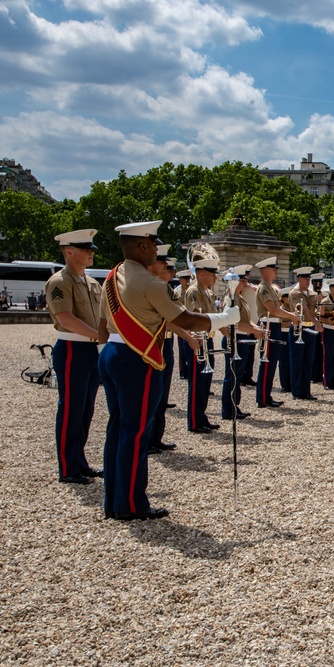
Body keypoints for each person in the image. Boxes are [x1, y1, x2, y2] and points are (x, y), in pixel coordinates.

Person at [98, 220, 239, 520]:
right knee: (135, 433)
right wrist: (223, 318)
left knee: (117, 429)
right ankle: (131, 504)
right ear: (143, 246)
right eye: (153, 245)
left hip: (111, 352)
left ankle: (114, 499)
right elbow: (184, 319)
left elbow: (101, 326)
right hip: (136, 357)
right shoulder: (150, 283)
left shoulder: (113, 277)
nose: (156, 251)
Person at [45, 228, 103, 484]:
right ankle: (68, 467)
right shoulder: (60, 281)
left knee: (86, 409)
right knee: (71, 409)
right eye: (85, 248)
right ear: (69, 251)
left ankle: (79, 461)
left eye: (91, 248)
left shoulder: (91, 282)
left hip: (91, 349)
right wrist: (97, 336)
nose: (91, 252)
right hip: (72, 349)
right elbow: (65, 318)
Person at [148, 250, 192, 454]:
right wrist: (188, 336)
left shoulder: (166, 289)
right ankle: (148, 438)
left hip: (166, 342)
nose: (170, 271)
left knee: (162, 394)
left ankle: (156, 437)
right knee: (152, 394)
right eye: (166, 266)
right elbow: (171, 320)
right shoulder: (153, 288)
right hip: (153, 343)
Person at [220, 266, 264, 420]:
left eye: (246, 280)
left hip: (242, 338)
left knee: (237, 376)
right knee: (232, 375)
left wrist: (255, 327)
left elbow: (246, 318)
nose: (245, 283)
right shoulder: (231, 298)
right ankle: (228, 409)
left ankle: (234, 406)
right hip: (235, 339)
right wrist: (254, 331)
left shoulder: (240, 297)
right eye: (243, 280)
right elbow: (234, 322)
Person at [254, 257, 299, 408]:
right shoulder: (264, 288)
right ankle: (262, 397)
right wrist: (291, 316)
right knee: (267, 362)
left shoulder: (271, 288)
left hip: (275, 326)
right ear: (266, 271)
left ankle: (266, 395)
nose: (276, 272)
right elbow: (272, 310)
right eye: (274, 269)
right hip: (268, 325)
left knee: (272, 363)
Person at [185, 256, 222, 433]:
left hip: (207, 338)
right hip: (197, 339)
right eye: (212, 274)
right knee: (197, 381)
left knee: (206, 381)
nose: (215, 277)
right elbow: (194, 317)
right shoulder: (193, 291)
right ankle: (194, 420)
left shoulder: (207, 292)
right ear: (201, 274)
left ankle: (202, 416)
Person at [287, 267, 322, 400]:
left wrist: (320, 302)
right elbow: (304, 309)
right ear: (299, 279)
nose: (307, 281)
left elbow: (320, 311)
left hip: (310, 329)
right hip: (299, 328)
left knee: (308, 362)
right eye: (305, 278)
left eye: (309, 278)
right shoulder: (294, 293)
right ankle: (297, 391)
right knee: (297, 361)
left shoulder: (312, 294)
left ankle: (306, 391)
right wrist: (316, 322)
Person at [174, 270, 193, 380]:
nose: (187, 280)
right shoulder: (177, 292)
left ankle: (190, 368)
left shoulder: (192, 291)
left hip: (191, 322)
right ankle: (183, 370)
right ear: (180, 280)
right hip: (181, 323)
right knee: (182, 349)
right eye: (185, 278)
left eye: (188, 278)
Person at [310, 273, 326, 384]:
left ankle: (320, 373)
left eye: (320, 282)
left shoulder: (325, 295)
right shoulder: (309, 295)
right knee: (313, 350)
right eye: (316, 282)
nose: (318, 284)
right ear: (312, 283)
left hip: (322, 324)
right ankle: (312, 374)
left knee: (321, 351)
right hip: (312, 324)